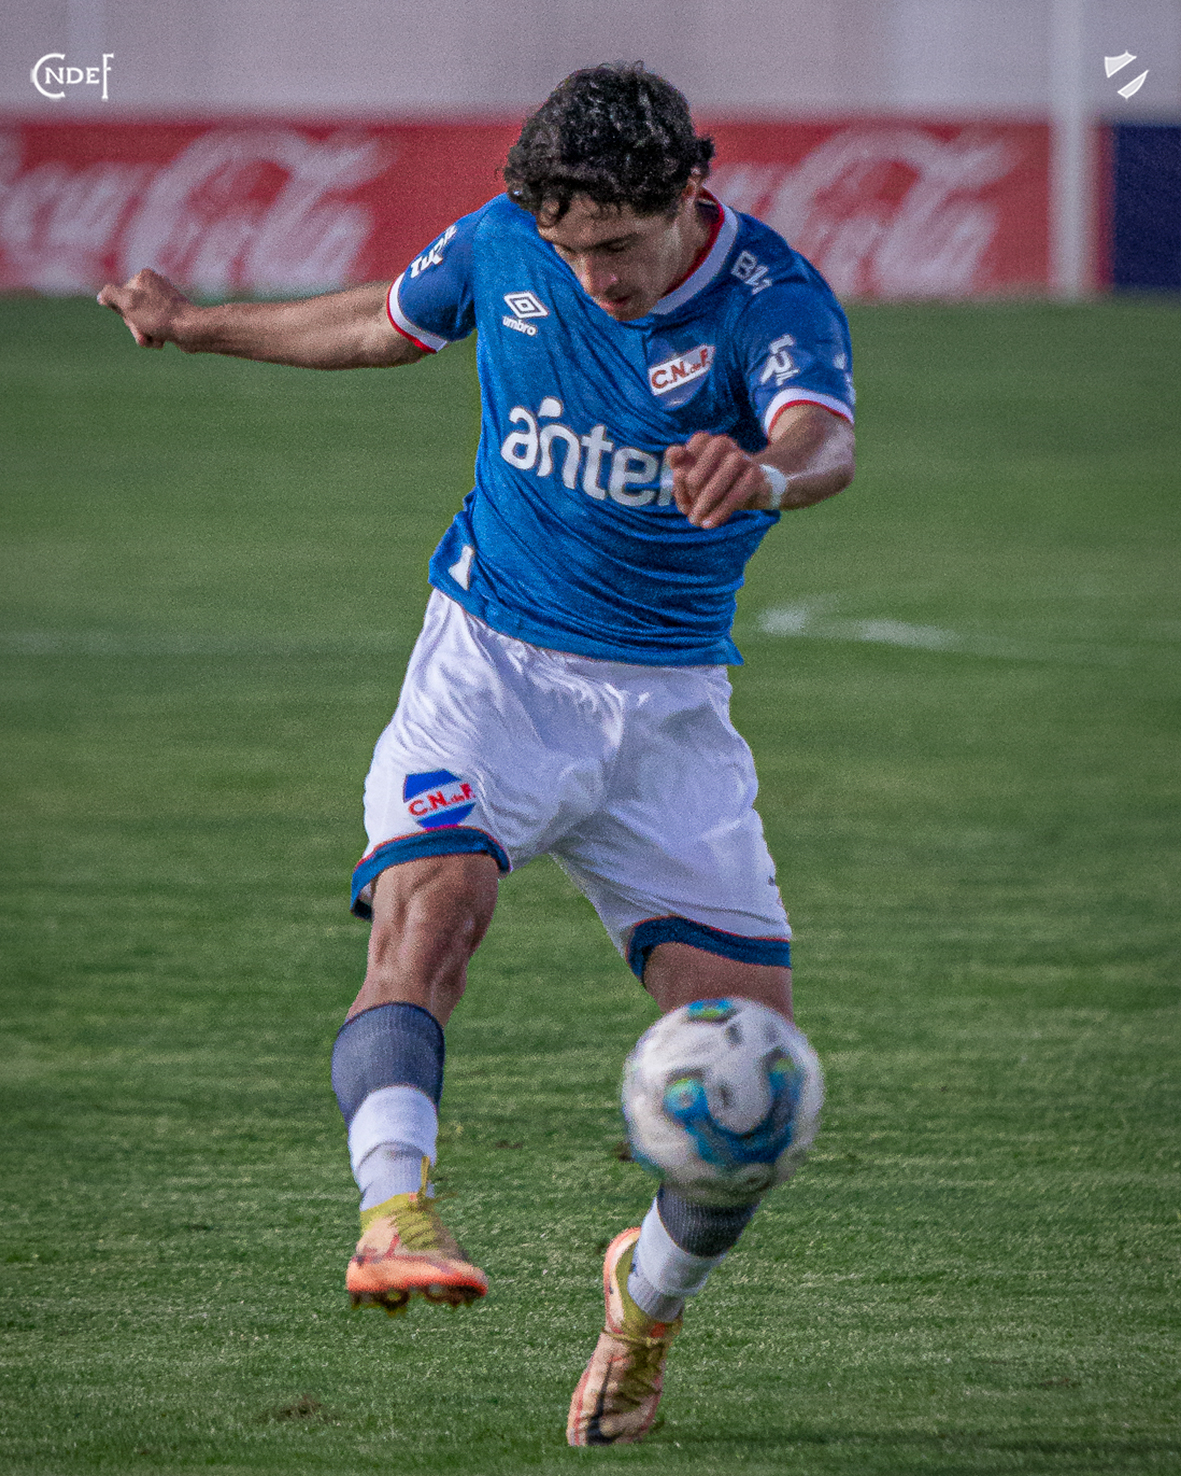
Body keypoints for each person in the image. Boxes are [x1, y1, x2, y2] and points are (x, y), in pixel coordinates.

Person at [99, 62, 855, 1446]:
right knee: (430, 914)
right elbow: (379, 323)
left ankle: (646, 1304)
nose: (593, 277)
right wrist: (197, 326)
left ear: (691, 191)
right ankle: (394, 1211)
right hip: (488, 671)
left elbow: (821, 441)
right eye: (571, 249)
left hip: (667, 717)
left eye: (619, 247)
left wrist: (767, 473)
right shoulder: (509, 243)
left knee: (759, 1084)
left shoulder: (773, 298)